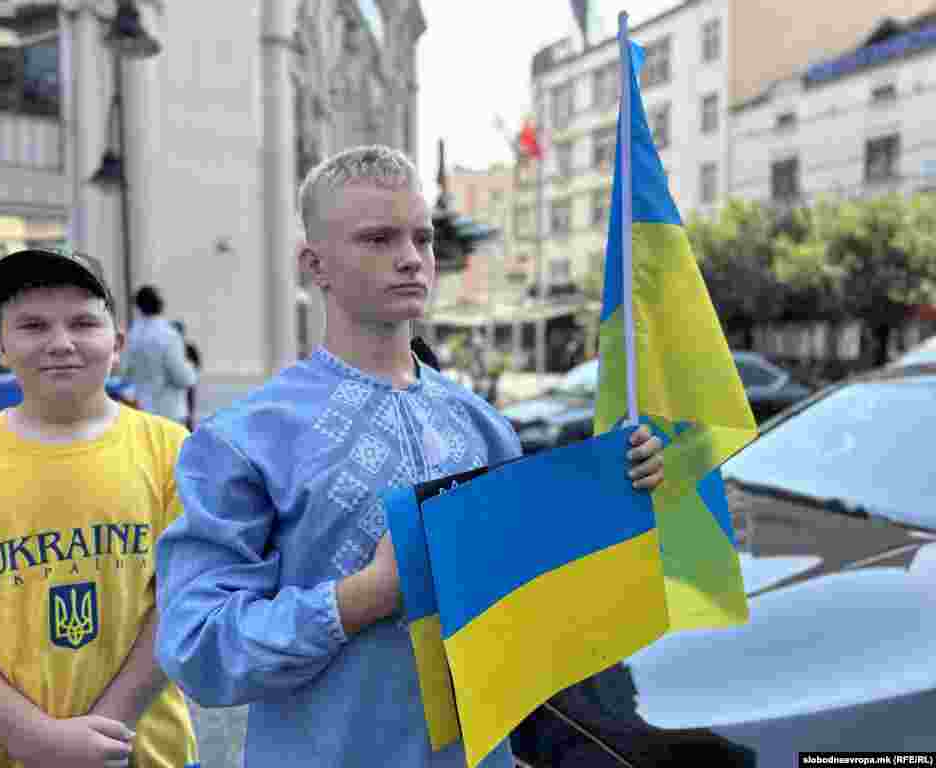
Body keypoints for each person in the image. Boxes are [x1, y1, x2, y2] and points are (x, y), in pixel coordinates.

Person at [153, 146, 664, 768]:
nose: (409, 259)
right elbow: (198, 646)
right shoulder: (243, 440)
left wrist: (613, 495)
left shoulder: (483, 427)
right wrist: (366, 594)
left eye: (421, 238)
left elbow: (529, 610)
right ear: (315, 264)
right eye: (377, 238)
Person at [0, 249, 199, 767]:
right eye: (34, 325)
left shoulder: (174, 452)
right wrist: (31, 736)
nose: (60, 342)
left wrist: (105, 733)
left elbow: (183, 600)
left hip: (143, 752)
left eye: (83, 322)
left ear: (116, 345)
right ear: (1, 347)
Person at [120, 285, 197, 424]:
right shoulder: (168, 335)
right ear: (161, 305)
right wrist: (192, 368)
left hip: (141, 411)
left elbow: (124, 373)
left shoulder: (132, 336)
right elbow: (182, 377)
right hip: (168, 413)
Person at [171, 320, 202, 431]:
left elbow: (197, 364)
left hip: (188, 383)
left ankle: (189, 425)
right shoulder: (172, 347)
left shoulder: (188, 347)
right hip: (176, 384)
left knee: (189, 407)